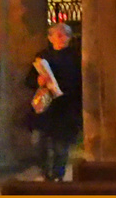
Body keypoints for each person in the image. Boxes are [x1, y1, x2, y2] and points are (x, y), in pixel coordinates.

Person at [26, 22, 82, 182]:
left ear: (69, 38)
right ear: (50, 38)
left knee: (60, 146)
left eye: (64, 35)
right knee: (39, 142)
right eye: (57, 35)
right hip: (46, 108)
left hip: (66, 107)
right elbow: (29, 80)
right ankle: (45, 173)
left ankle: (58, 176)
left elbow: (80, 82)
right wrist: (39, 80)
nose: (60, 38)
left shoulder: (76, 57)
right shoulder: (43, 56)